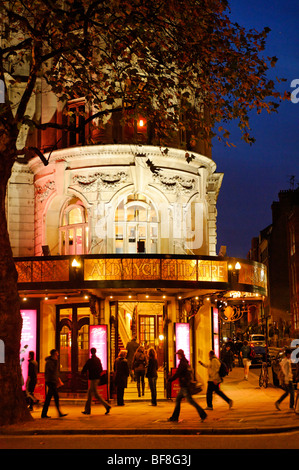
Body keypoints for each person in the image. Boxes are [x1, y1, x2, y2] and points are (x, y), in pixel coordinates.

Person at [168, 349, 207, 422]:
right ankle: (174, 417)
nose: (177, 356)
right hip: (184, 385)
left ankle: (203, 414)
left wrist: (170, 379)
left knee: (191, 401)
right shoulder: (185, 362)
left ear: (180, 355)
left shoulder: (182, 363)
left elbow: (177, 373)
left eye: (178, 355)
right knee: (178, 400)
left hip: (185, 386)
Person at [81, 348, 111, 415]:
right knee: (90, 394)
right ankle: (87, 410)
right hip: (97, 378)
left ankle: (107, 406)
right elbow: (101, 369)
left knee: (95, 395)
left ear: (91, 352)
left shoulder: (90, 361)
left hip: (93, 379)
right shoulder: (98, 360)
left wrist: (84, 373)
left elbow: (85, 368)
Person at [41, 349, 67, 418]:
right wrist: (56, 362)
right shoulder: (50, 362)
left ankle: (44, 414)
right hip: (50, 381)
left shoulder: (52, 361)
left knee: (49, 398)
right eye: (56, 354)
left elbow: (55, 372)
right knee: (56, 396)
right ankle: (59, 413)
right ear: (53, 354)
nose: (58, 355)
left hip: (52, 380)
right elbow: (52, 371)